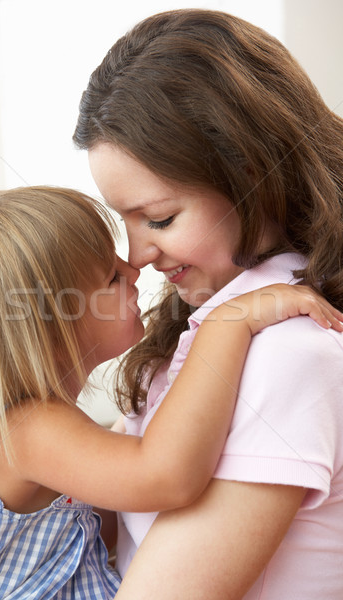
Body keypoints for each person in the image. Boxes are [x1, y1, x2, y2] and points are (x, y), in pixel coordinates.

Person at [0, 186, 335, 598]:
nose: (134, 270)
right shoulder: (28, 429)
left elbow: (93, 523)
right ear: (51, 333)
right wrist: (225, 326)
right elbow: (167, 477)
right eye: (112, 277)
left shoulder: (19, 430)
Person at [73, 8, 343, 599]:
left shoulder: (288, 354)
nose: (138, 254)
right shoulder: (207, 323)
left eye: (160, 218)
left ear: (250, 172)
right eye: (126, 221)